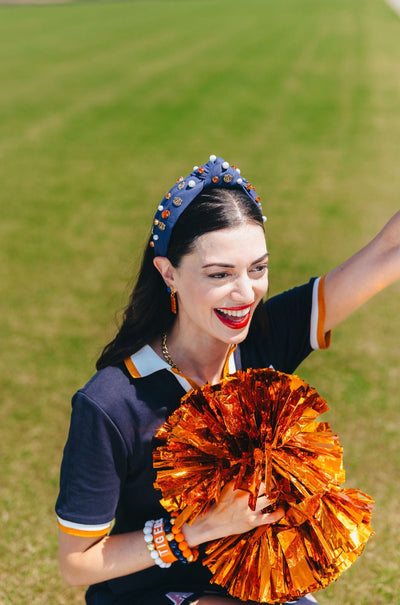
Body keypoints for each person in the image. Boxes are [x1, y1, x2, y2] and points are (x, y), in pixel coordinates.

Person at [56, 155, 400, 605]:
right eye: (220, 275)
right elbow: (76, 562)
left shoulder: (263, 339)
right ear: (168, 274)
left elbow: (388, 251)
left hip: (251, 589)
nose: (245, 294)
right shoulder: (111, 403)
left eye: (257, 269)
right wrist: (203, 527)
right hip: (148, 594)